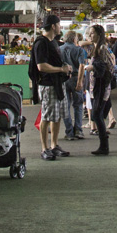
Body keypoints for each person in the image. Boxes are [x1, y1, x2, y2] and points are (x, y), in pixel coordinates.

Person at [30, 14, 72, 161]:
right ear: (53, 26)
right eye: (59, 24)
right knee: (47, 117)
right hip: (48, 85)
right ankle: (44, 148)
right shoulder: (41, 43)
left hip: (58, 84)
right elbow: (41, 66)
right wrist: (60, 70)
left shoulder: (53, 42)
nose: (60, 27)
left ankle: (54, 145)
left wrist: (65, 69)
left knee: (57, 115)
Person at [81, 25, 115, 156]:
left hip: (101, 87)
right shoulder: (96, 47)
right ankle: (103, 145)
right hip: (96, 87)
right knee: (97, 115)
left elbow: (109, 67)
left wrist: (92, 67)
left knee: (96, 115)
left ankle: (104, 145)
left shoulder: (102, 48)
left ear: (99, 34)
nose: (90, 36)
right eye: (89, 33)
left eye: (92, 33)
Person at [60, 30, 86, 141]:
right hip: (75, 78)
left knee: (65, 106)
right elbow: (81, 66)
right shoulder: (79, 50)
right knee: (78, 105)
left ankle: (69, 132)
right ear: (75, 39)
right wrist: (80, 81)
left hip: (63, 79)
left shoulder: (59, 49)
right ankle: (78, 130)